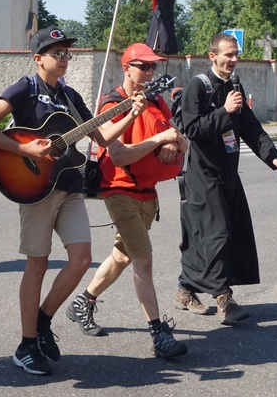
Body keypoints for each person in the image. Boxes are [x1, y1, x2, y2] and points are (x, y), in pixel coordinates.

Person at [0, 26, 147, 376]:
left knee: (82, 259)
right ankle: (26, 345)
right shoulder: (24, 88)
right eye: (58, 53)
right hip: (35, 187)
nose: (65, 59)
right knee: (37, 264)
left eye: (68, 53)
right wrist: (23, 148)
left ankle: (42, 319)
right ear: (39, 59)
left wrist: (132, 112)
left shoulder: (71, 96)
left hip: (70, 186)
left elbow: (100, 136)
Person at [66, 43, 189, 358]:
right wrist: (159, 140)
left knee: (122, 256)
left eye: (153, 67)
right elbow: (118, 154)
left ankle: (84, 303)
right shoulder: (113, 102)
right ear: (127, 67)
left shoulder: (158, 101)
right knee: (143, 260)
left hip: (148, 194)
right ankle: (158, 333)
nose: (150, 72)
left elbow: (184, 141)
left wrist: (173, 142)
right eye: (144, 66)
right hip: (120, 191)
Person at [175, 32, 277, 325]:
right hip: (202, 175)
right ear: (212, 56)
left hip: (228, 173)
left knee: (226, 233)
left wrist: (271, 156)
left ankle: (185, 289)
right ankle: (225, 300)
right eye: (229, 54)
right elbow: (193, 130)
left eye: (236, 54)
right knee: (217, 235)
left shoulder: (234, 86)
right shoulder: (196, 88)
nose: (234, 60)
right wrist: (224, 111)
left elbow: (248, 124)